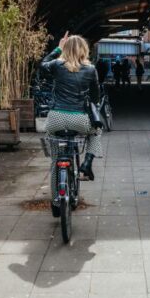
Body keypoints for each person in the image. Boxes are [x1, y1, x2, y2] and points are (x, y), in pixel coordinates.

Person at [40, 33, 103, 205]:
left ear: (65, 49)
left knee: (55, 161)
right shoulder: (90, 69)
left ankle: (55, 200)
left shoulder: (57, 65)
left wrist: (58, 48)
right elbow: (96, 96)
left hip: (56, 118)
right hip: (79, 120)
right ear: (84, 50)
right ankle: (87, 163)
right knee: (96, 131)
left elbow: (42, 65)